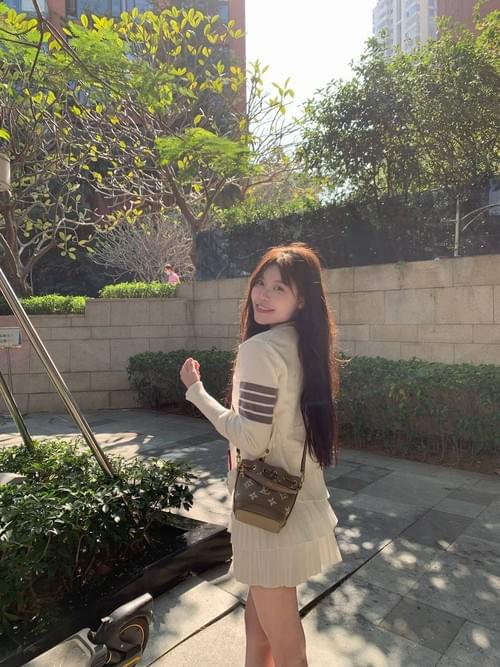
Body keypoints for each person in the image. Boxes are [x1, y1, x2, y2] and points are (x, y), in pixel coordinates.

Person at [180, 243, 342, 667]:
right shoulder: (304, 345)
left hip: (265, 511)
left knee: (286, 642)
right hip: (296, 500)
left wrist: (196, 393)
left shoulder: (261, 349)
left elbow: (251, 440)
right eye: (260, 284)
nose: (263, 296)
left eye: (279, 288)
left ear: (301, 299)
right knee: (259, 625)